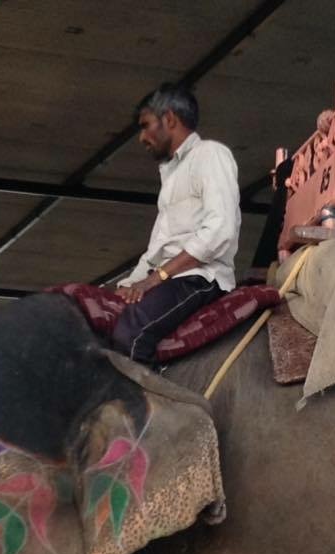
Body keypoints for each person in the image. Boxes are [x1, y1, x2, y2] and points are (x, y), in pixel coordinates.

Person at [112, 83, 241, 363]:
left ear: (169, 119)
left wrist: (155, 278)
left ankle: (149, 393)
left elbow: (220, 230)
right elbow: (157, 249)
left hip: (199, 278)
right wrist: (130, 283)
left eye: (145, 125)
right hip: (169, 279)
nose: (141, 137)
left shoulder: (210, 154)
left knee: (131, 333)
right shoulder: (171, 174)